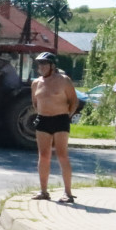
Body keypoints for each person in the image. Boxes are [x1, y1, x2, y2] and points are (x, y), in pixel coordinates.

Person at [29, 52, 80, 203]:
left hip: (61, 120)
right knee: (43, 156)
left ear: (52, 65)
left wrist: (66, 116)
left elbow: (74, 101)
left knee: (62, 155)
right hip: (43, 120)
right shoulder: (36, 83)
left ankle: (68, 193)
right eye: (39, 64)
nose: (41, 67)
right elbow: (35, 102)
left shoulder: (64, 80)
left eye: (44, 64)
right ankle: (43, 191)